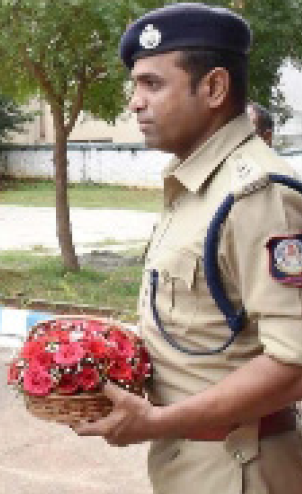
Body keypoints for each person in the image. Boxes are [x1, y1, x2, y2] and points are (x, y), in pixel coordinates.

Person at [74, 4, 302, 493]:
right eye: (135, 85)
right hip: (192, 459)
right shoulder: (198, 184)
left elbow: (294, 364)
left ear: (214, 88)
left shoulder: (256, 194)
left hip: (239, 465)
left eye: (152, 84)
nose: (135, 102)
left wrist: (158, 420)